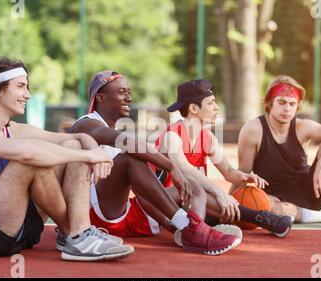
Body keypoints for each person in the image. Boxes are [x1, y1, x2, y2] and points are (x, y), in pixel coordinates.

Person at [0, 58, 135, 262]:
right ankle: (76, 234)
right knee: (30, 161)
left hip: (15, 228)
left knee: (72, 147)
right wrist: (89, 156)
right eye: (21, 86)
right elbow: (28, 154)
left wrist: (94, 150)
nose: (28, 94)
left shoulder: (12, 129)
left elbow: (77, 138)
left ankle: (77, 234)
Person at [70, 70, 240, 255]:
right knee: (131, 156)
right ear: (101, 98)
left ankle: (187, 229)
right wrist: (171, 167)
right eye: (122, 92)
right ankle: (191, 229)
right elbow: (127, 142)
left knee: (194, 187)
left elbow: (140, 190)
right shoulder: (86, 124)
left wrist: (167, 222)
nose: (129, 98)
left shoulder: (111, 127)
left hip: (122, 213)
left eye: (129, 92)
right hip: (93, 213)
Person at [151, 79, 293, 242]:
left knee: (225, 210)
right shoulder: (172, 136)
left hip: (187, 203)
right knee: (196, 188)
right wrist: (219, 193)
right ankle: (261, 218)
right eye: (211, 103)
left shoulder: (208, 138)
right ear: (194, 108)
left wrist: (244, 176)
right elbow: (182, 167)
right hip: (160, 205)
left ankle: (215, 223)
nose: (217, 107)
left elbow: (228, 172)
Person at [231, 75, 321, 229]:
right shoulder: (253, 130)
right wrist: (228, 202)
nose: (287, 108)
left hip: (310, 192)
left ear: (297, 106)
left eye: (292, 104)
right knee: (264, 206)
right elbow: (242, 175)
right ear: (270, 103)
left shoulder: (302, 127)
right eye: (281, 102)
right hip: (273, 198)